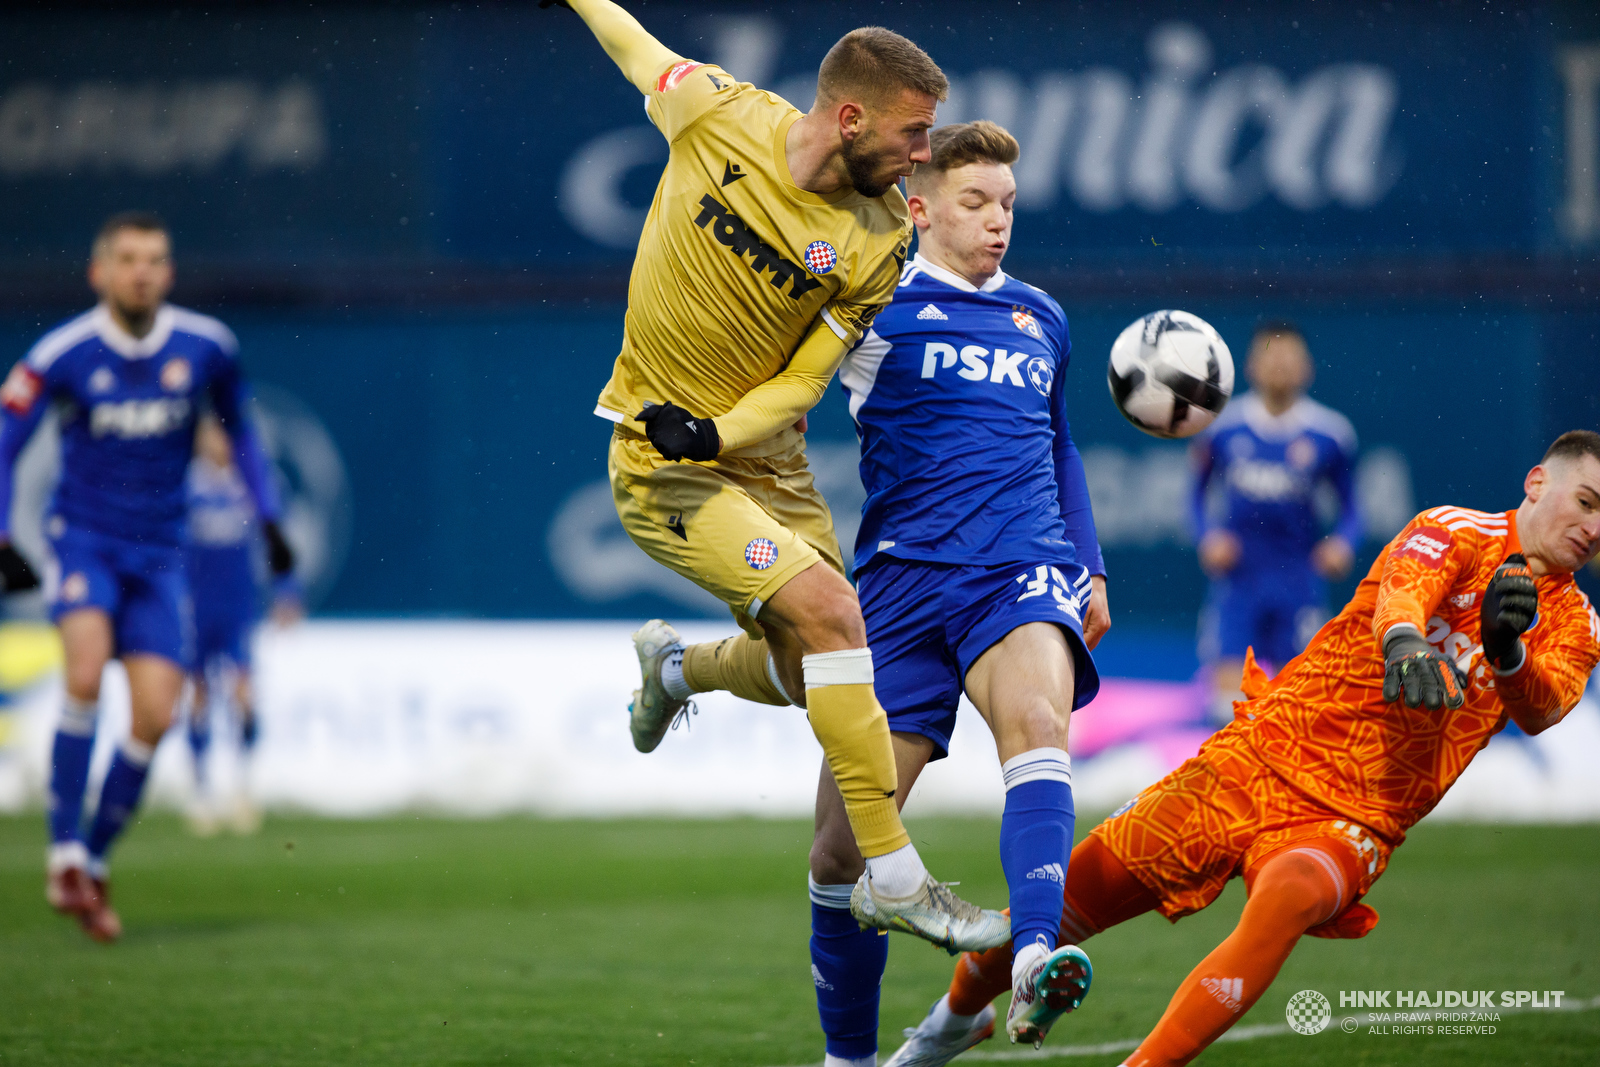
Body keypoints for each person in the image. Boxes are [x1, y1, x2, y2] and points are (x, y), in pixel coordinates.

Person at [887, 431, 1600, 1067]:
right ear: (1537, 481)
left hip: (1355, 816)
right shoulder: (1454, 529)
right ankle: (951, 1022)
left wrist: (1506, 652)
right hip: (1255, 757)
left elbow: (1542, 711)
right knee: (1067, 900)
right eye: (1587, 501)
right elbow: (1405, 596)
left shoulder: (1577, 622)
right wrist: (1404, 640)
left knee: (1289, 897)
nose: (1593, 527)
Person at [544, 0, 1001, 948]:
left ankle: (675, 669)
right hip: (661, 466)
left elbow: (800, 381)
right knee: (837, 619)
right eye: (912, 132)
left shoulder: (878, 238)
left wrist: (714, 431)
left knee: (814, 671)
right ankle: (898, 877)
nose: (921, 154)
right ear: (851, 118)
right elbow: (639, 52)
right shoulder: (718, 112)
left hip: (756, 459)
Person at [795, 119, 1111, 1067]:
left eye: (1009, 204)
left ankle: (1034, 956)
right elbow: (781, 406)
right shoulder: (868, 302)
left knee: (1038, 728)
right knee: (840, 856)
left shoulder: (1041, 317)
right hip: (896, 589)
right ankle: (850, 1058)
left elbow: (1060, 446)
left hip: (1018, 567)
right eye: (976, 202)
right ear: (919, 204)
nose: (998, 221)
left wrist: (1086, 561)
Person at [0, 212, 293, 941]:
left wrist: (272, 520)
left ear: (168, 272)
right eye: (128, 259)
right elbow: (5, 439)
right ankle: (64, 847)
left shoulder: (206, 347)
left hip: (163, 555)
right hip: (86, 543)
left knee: (156, 716)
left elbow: (244, 435)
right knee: (87, 669)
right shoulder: (62, 352)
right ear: (99, 272)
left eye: (155, 259)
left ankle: (92, 862)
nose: (142, 272)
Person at [1191, 321, 1361, 717]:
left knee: (1299, 704)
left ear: (1307, 368)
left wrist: (1343, 543)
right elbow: (1195, 496)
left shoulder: (1330, 434)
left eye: (1290, 358)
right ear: (1251, 365)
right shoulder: (1222, 427)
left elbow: (1354, 508)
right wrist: (1207, 536)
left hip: (1297, 582)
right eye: (1271, 356)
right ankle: (1229, 779)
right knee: (1226, 707)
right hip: (1239, 582)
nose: (1280, 367)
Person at [184, 414, 302, 835]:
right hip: (195, 609)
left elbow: (278, 541)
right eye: (209, 435)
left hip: (238, 610)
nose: (216, 444)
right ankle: (200, 792)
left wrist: (288, 592)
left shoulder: (251, 487)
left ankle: (243, 787)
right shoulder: (185, 486)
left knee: (243, 694)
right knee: (197, 696)